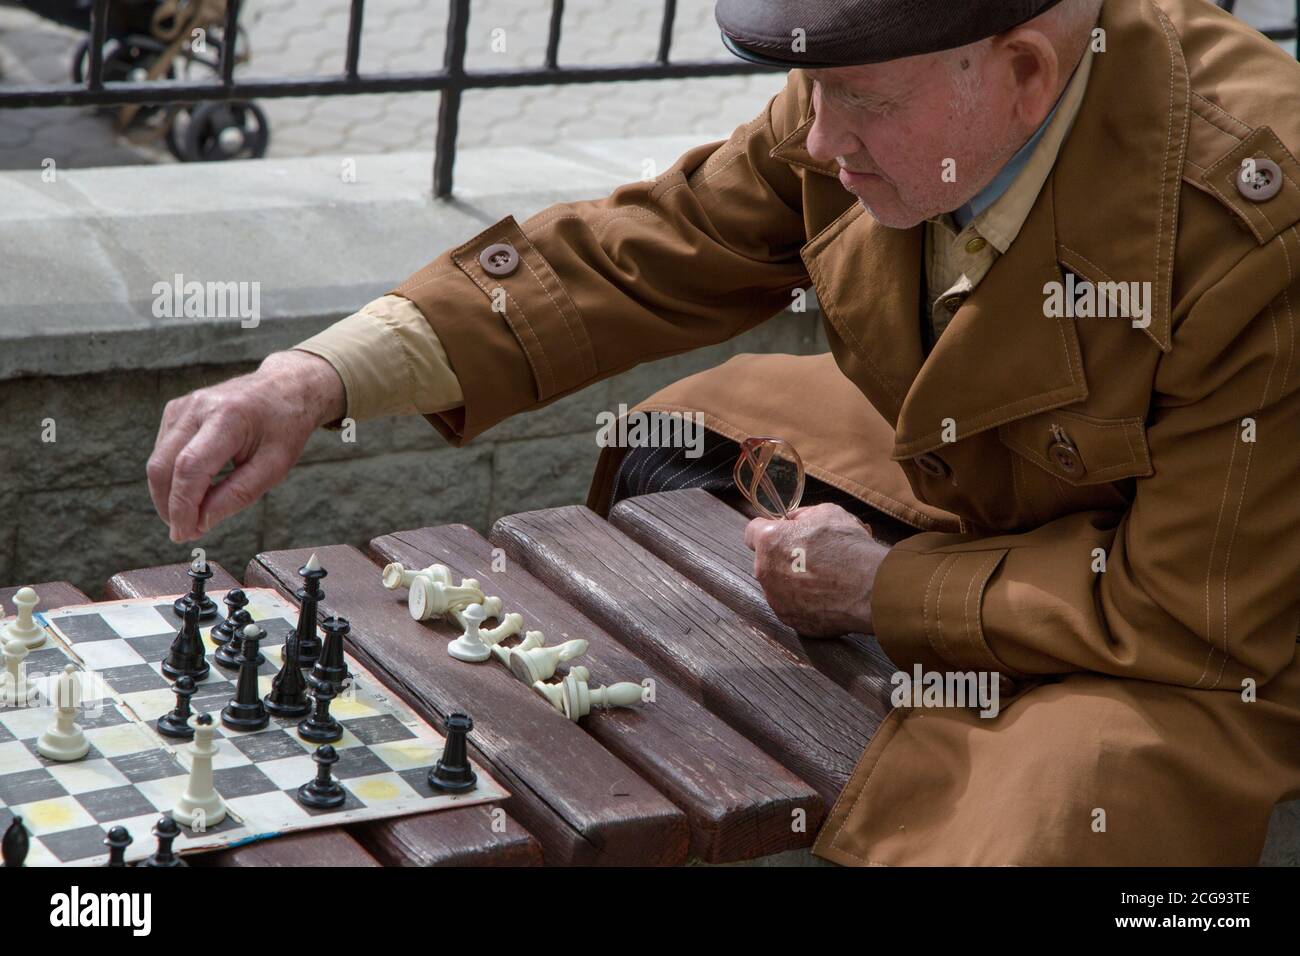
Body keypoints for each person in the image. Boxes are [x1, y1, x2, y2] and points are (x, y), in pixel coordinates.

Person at [148, 0, 1300, 865]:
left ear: (1023, 72)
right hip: (1003, 483)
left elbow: (1188, 610)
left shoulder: (1257, 225)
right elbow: (640, 250)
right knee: (685, 435)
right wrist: (312, 376)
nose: (818, 140)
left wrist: (884, 590)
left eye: (862, 105)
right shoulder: (882, 77)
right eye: (814, 92)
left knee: (1053, 813)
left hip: (1218, 610)